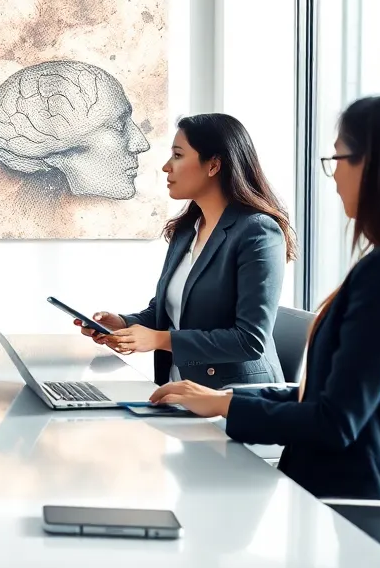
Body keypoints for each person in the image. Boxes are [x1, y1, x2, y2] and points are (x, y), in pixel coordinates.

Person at [151, 93, 380, 502]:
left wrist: (226, 407)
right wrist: (225, 399)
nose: (335, 176)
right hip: (338, 489)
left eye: (339, 160)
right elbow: (330, 400)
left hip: (353, 507)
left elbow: (334, 423)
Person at [80, 114, 297, 388]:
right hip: (178, 391)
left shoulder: (258, 232)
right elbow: (170, 311)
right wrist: (123, 324)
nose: (166, 167)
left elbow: (249, 340)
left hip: (234, 400)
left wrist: (159, 340)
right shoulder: (186, 230)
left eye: (178, 155)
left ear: (214, 165)